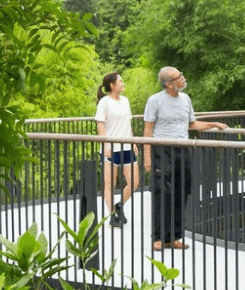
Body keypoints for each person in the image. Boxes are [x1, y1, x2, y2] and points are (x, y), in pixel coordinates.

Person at [142, 67, 229, 251]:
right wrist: (147, 157)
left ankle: (174, 236)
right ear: (169, 83)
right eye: (178, 77)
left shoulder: (186, 99)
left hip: (183, 150)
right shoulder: (155, 101)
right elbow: (148, 130)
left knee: (180, 193)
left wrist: (213, 124)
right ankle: (158, 237)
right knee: (162, 194)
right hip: (162, 150)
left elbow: (191, 124)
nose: (183, 78)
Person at [94, 72, 138, 227]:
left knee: (134, 182)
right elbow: (100, 124)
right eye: (120, 81)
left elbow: (128, 124)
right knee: (109, 184)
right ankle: (112, 215)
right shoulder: (104, 102)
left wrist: (133, 142)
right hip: (111, 148)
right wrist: (105, 144)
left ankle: (119, 205)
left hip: (127, 147)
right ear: (112, 85)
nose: (123, 83)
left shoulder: (125, 101)